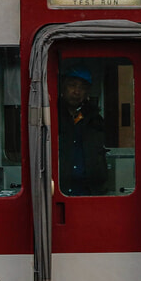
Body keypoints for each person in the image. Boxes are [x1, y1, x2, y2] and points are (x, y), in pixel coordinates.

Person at [57, 67, 108, 195]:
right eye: (72, 85)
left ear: (87, 92)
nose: (76, 91)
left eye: (82, 87)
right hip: (58, 188)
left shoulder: (95, 119)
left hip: (89, 190)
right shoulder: (52, 115)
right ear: (63, 87)